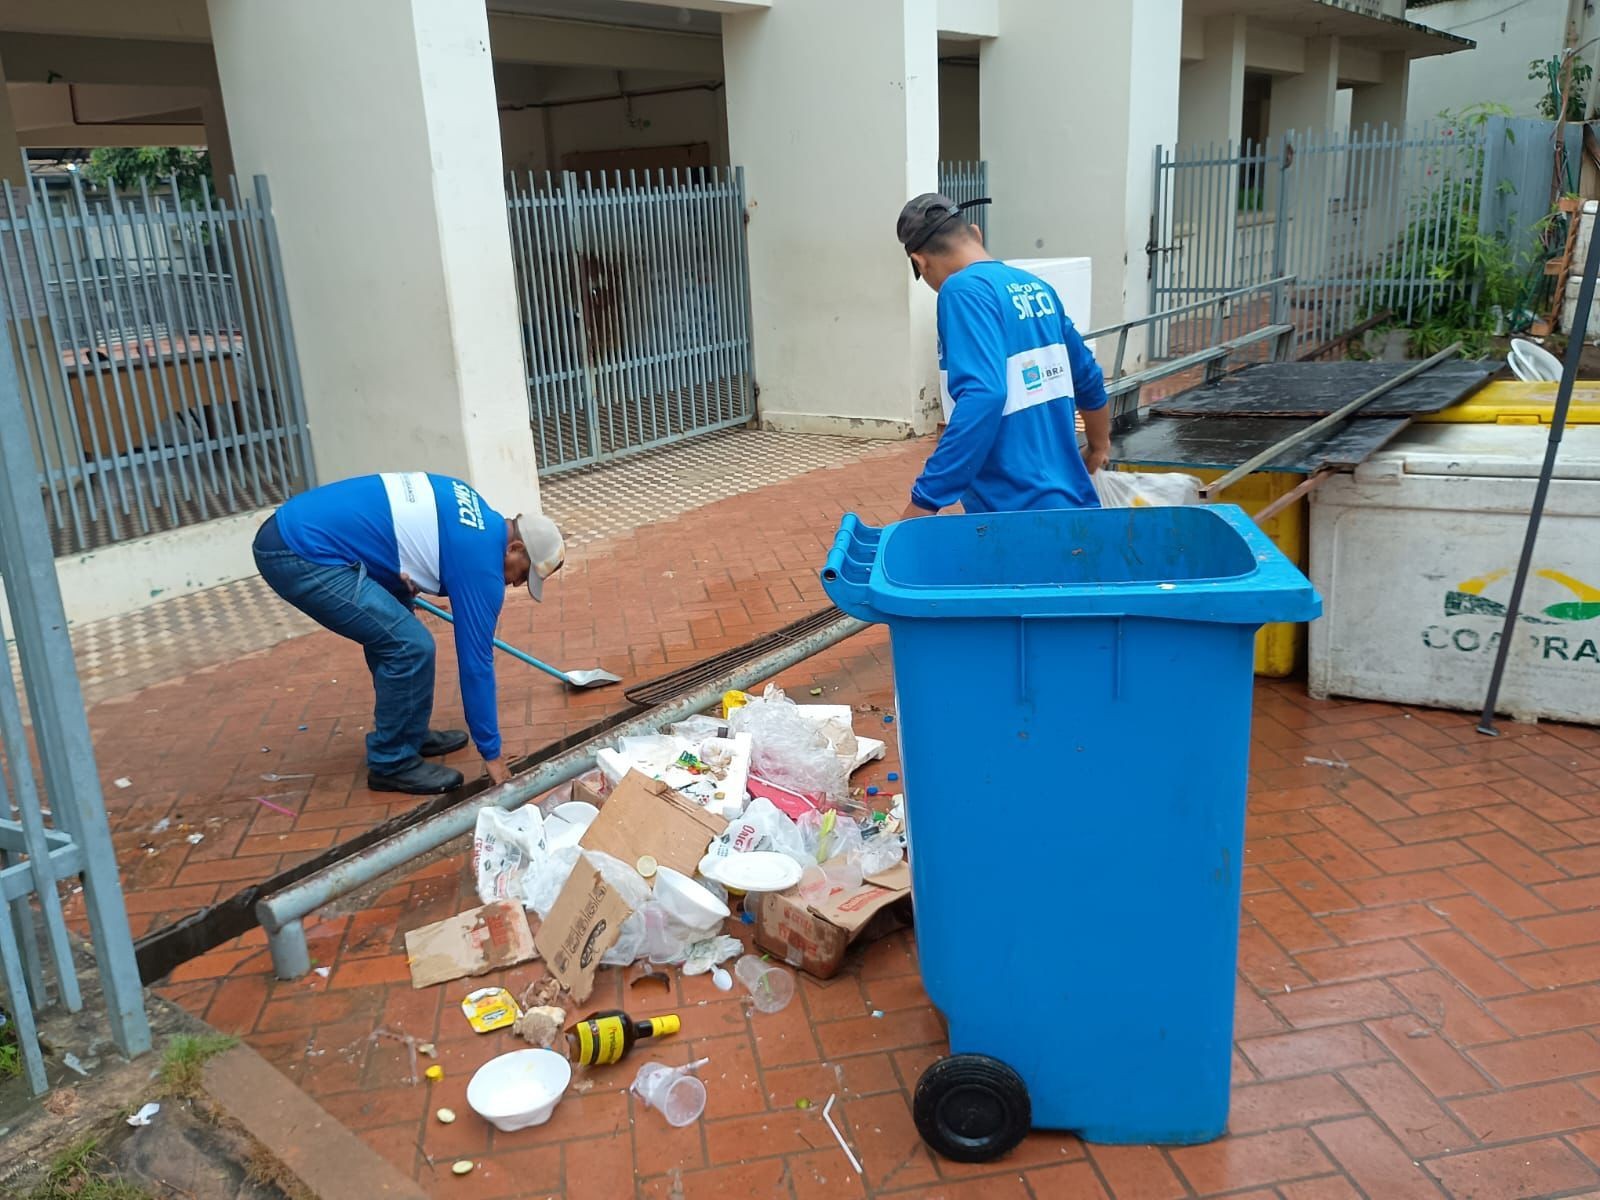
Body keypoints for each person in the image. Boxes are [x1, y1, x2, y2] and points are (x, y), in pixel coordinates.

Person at [252, 473, 564, 795]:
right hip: (301, 551)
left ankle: (408, 733)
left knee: (399, 619)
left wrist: (394, 566)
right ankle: (392, 762)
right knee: (409, 646)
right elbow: (476, 665)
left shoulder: (473, 505)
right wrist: (492, 753)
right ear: (514, 548)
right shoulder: (482, 563)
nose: (515, 585)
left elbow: (400, 527)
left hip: (298, 527)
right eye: (523, 574)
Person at [895, 192, 1112, 520]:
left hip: (1014, 518)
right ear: (976, 233)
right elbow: (1088, 377)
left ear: (920, 261)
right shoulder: (1037, 288)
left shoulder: (962, 291)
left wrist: (925, 502)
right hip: (1074, 508)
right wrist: (1099, 445)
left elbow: (984, 395)